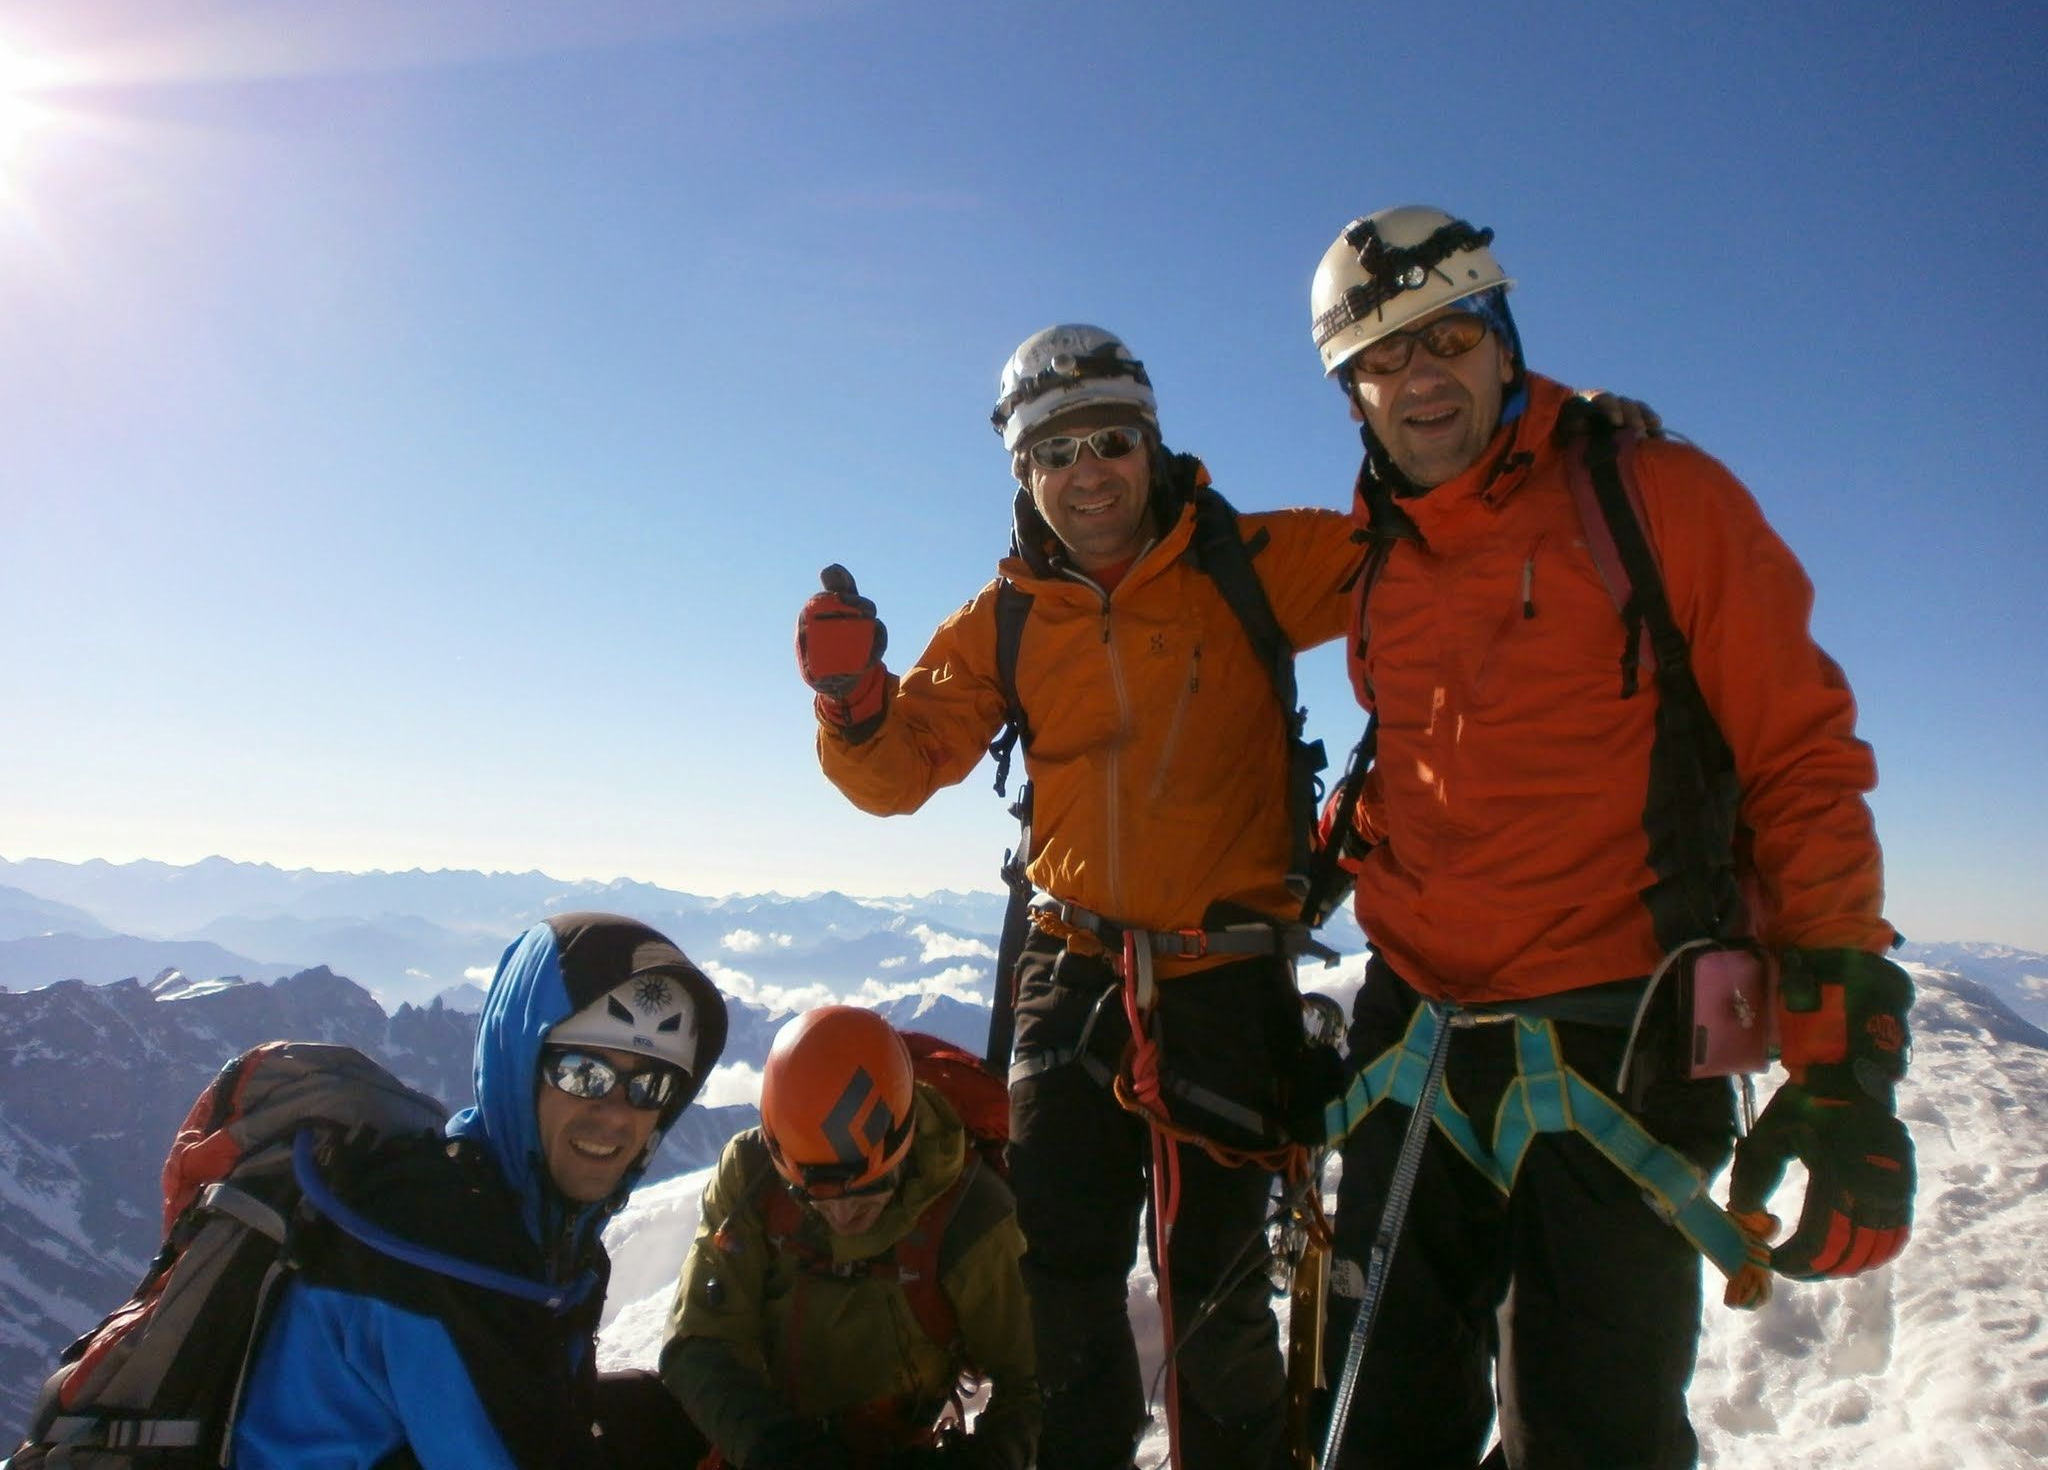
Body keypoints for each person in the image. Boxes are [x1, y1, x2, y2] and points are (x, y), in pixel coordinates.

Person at [1301, 205, 1914, 1468]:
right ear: (1349, 392)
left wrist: (1842, 1058)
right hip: (1414, 1035)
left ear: (1504, 337)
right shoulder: (1379, 556)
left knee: (1591, 1441)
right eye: (1379, 358)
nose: (1419, 379)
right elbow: (1427, 763)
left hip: (1615, 1041)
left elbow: (1796, 759)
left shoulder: (1655, 499)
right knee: (1372, 1433)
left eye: (1450, 336)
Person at [795, 322, 1370, 1469]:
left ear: (1151, 445)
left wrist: (1564, 455)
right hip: (1070, 970)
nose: (1084, 473)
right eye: (1053, 454)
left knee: (1214, 1298)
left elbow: (1426, 553)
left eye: (1108, 440)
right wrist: (852, 701)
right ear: (1022, 473)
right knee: (1055, 1281)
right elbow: (901, 770)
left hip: (1224, 976)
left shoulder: (1255, 562)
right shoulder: (1004, 618)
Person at [229, 912, 729, 1469]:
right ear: (520, 1065)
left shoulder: (516, 1208)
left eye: (650, 1085)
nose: (615, 1114)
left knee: (670, 1420)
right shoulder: (441, 1253)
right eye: (582, 1073)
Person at [660, 1005, 1038, 1468]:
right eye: (811, 1194)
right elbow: (698, 1340)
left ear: (904, 1140)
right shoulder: (751, 1176)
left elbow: (1033, 1381)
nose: (841, 1212)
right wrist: (772, 1447)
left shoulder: (970, 1214)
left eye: (868, 1189)